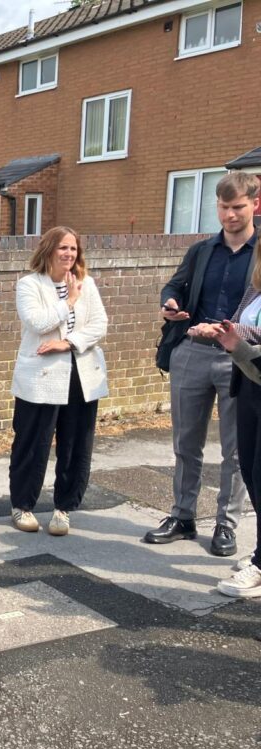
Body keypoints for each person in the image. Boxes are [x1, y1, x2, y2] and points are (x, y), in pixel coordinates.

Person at [145, 171, 258, 556]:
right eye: (224, 207)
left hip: (238, 357)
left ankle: (226, 526)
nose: (230, 215)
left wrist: (236, 332)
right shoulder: (200, 251)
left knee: (237, 449)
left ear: (255, 205)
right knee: (185, 442)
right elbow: (175, 286)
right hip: (192, 350)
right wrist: (171, 304)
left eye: (238, 207)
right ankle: (182, 516)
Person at [8, 226, 109, 536]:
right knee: (32, 442)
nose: (69, 254)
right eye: (63, 248)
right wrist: (68, 302)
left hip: (82, 375)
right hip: (41, 377)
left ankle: (63, 509)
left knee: (76, 444)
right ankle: (22, 505)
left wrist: (68, 343)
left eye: (73, 249)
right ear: (49, 250)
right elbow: (38, 322)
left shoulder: (86, 283)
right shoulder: (29, 284)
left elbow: (99, 324)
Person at [193, 239, 261, 597]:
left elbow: (247, 335)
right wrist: (220, 331)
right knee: (250, 470)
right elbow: (239, 324)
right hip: (249, 384)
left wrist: (236, 339)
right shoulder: (255, 287)